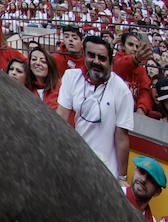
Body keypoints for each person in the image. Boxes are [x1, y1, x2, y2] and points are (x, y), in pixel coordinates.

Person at [57, 35, 135, 179]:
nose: (96, 61)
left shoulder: (122, 91)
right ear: (84, 55)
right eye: (91, 55)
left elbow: (122, 137)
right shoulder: (71, 77)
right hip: (77, 162)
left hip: (106, 171)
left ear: (111, 62)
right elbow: (60, 119)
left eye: (102, 58)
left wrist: (122, 177)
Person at [125, 155, 167, 222]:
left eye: (151, 178)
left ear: (157, 192)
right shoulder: (114, 193)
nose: (143, 179)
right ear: (135, 171)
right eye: (142, 172)